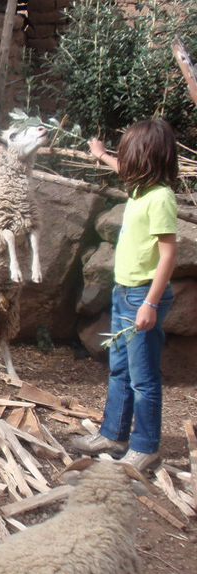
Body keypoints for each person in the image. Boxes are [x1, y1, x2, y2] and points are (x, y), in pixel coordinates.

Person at [72, 119, 179, 471]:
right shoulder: (140, 189)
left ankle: (146, 446)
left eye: (129, 155)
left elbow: (168, 255)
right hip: (124, 293)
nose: (124, 162)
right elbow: (121, 168)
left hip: (142, 297)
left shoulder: (161, 198)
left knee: (143, 378)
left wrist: (150, 303)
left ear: (145, 159)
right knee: (119, 368)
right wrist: (101, 155)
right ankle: (114, 434)